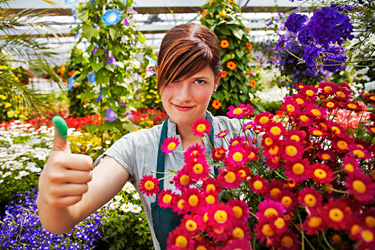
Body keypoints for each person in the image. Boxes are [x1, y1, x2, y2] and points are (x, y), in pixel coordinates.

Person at [37, 23, 253, 250]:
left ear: (217, 81)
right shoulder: (137, 147)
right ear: (158, 75)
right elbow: (65, 219)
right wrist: (50, 197)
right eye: (173, 78)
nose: (183, 95)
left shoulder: (247, 136)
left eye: (198, 81)